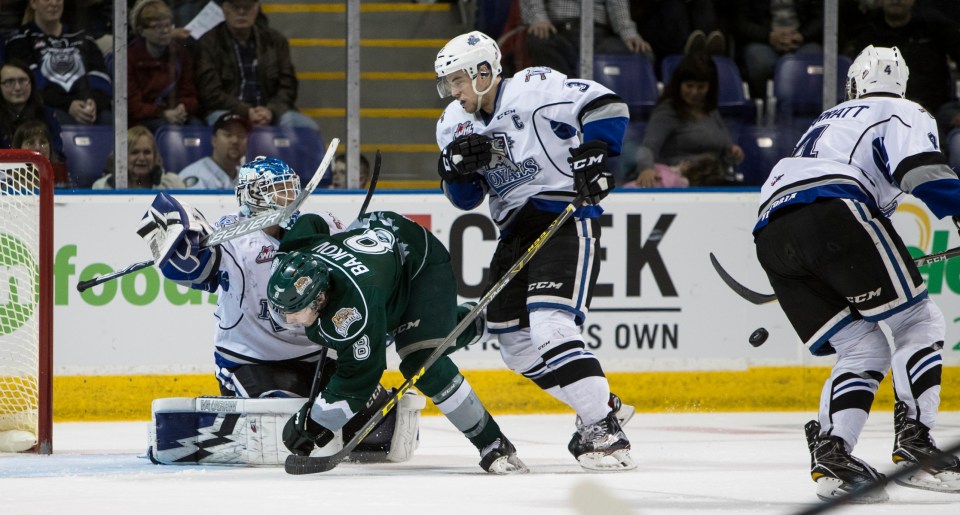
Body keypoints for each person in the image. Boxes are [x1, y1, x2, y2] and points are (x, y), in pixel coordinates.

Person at [753, 45, 960, 502]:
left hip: (772, 233)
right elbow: (920, 169)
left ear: (855, 82)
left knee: (862, 346)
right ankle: (918, 446)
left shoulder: (828, 119)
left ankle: (834, 455)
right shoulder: (905, 110)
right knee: (919, 321)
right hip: (836, 212)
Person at [432, 31, 635, 471]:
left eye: (459, 79)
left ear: (484, 71)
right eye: (448, 82)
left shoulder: (532, 88)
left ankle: (603, 430)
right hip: (514, 233)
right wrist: (454, 171)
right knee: (516, 346)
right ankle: (600, 402)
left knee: (550, 324)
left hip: (562, 216)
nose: (453, 90)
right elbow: (466, 200)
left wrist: (596, 151)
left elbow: (607, 105)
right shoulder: (452, 123)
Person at [137, 157, 422, 463]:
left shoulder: (323, 224)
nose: (288, 197)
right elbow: (196, 271)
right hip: (252, 360)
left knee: (378, 427)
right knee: (281, 425)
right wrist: (180, 250)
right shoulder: (230, 237)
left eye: (290, 188)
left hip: (318, 354)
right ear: (252, 195)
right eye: (277, 190)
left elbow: (358, 273)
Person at [265, 210, 529, 474]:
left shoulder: (355, 311)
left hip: (418, 262)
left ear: (321, 297)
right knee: (419, 332)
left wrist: (313, 425)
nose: (289, 319)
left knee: (423, 362)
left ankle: (492, 441)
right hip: (378, 239)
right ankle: (488, 320)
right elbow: (310, 221)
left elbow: (359, 378)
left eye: (295, 312)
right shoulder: (294, 259)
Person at [194, 0, 318, 130]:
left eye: (247, 7)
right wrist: (246, 111)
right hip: (228, 110)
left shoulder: (276, 41)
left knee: (308, 128)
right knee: (227, 127)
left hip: (270, 111)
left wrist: (271, 110)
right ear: (225, 10)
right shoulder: (208, 43)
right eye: (235, 7)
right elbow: (210, 93)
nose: (241, 12)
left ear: (256, 10)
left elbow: (288, 86)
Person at [843, 0, 960, 137]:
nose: (896, 0)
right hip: (882, 110)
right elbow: (856, 81)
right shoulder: (868, 34)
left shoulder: (934, 28)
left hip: (937, 109)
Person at [628, 53, 743, 188]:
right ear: (679, 85)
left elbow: (725, 150)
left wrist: (733, 153)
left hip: (715, 179)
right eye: (689, 86)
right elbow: (648, 147)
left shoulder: (712, 111)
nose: (694, 92)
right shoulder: (667, 112)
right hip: (682, 184)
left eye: (701, 87)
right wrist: (646, 169)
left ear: (710, 87)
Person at [4, 0, 113, 125]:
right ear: (33, 3)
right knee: (54, 120)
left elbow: (100, 77)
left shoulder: (83, 37)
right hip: (49, 106)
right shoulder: (20, 40)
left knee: (109, 120)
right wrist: (67, 104)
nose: (54, 3)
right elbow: (31, 84)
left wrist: (93, 101)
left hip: (85, 105)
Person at [520, 0, 651, 77]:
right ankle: (564, 100)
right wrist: (539, 19)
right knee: (539, 42)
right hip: (560, 31)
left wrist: (629, 34)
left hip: (599, 35)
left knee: (641, 53)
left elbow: (617, 4)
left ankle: (611, 107)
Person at [128, 0, 203, 133]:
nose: (165, 31)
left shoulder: (180, 53)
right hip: (144, 119)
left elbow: (190, 94)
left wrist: (183, 107)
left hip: (174, 113)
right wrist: (162, 113)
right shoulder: (130, 57)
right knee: (165, 128)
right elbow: (132, 105)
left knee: (196, 127)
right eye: (156, 27)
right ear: (141, 31)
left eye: (168, 25)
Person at [734, 0, 823, 100]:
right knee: (760, 62)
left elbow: (821, 18)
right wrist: (769, 36)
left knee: (813, 57)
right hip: (764, 40)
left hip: (803, 40)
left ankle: (804, 105)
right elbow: (741, 21)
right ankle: (767, 104)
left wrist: (802, 35)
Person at [0, 60, 64, 163]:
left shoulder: (47, 115)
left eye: (23, 81)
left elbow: (57, 154)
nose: (17, 87)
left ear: (31, 83)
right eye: (10, 82)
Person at [92, 125, 185, 189]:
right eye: (134, 152)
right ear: (122, 157)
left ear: (155, 156)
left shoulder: (173, 184)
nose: (141, 158)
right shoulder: (102, 187)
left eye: (147, 152)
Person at [179, 112, 250, 189]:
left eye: (241, 136)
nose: (235, 141)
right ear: (214, 140)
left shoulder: (249, 177)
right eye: (228, 135)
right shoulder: (195, 175)